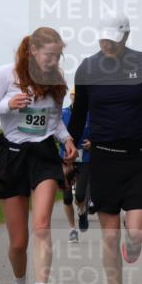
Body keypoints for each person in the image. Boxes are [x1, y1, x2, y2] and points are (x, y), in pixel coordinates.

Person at [68, 13, 142, 284]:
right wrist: (69, 148)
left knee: (136, 233)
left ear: (126, 36)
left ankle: (132, 244)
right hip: (104, 159)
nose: (108, 42)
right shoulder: (87, 69)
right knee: (110, 237)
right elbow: (79, 114)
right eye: (104, 37)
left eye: (114, 37)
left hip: (139, 160)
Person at [0, 27, 76, 284]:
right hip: (12, 157)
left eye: (58, 56)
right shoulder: (7, 74)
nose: (53, 61)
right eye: (49, 55)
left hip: (44, 157)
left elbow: (55, 121)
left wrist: (67, 138)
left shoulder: (57, 81)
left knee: (43, 225)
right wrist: (7, 105)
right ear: (33, 51)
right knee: (18, 242)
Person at [60, 89, 91, 243]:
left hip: (84, 157)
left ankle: (82, 210)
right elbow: (53, 130)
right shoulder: (63, 113)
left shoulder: (91, 113)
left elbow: (99, 131)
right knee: (66, 198)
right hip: (66, 158)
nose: (76, 99)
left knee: (79, 195)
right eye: (74, 96)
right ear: (71, 97)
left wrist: (92, 142)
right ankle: (72, 230)